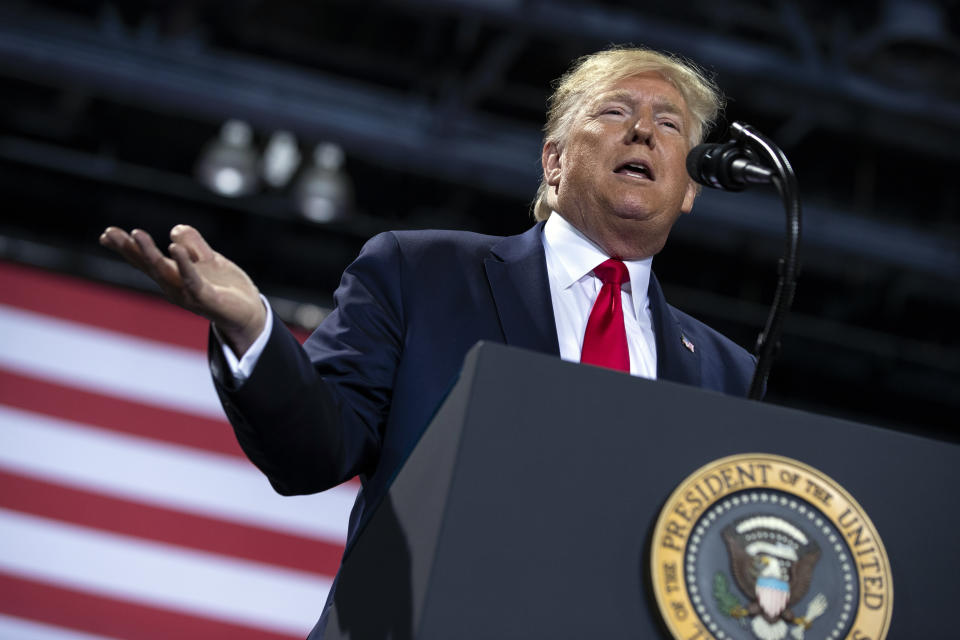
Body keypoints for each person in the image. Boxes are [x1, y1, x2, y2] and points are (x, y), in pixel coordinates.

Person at [100, 46, 755, 637]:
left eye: (670, 124)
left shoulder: (729, 376)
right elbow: (314, 451)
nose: (644, 129)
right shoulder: (422, 274)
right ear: (553, 162)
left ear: (692, 187)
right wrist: (252, 331)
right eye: (616, 111)